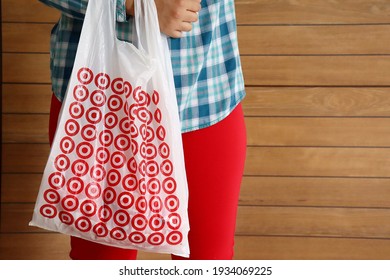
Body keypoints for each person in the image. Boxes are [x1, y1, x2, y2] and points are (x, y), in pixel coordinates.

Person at [40, 0, 247, 260]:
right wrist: (133, 5)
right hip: (102, 104)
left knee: (208, 260)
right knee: (101, 259)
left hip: (206, 90)